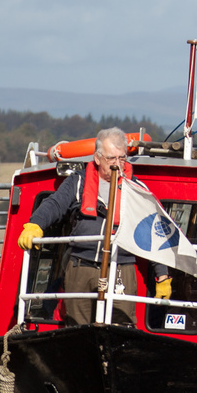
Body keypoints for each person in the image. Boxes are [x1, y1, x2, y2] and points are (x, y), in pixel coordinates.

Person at [17, 127, 150, 326]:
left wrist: (162, 275)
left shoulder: (137, 188)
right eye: (111, 158)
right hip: (81, 265)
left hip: (121, 266)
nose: (117, 164)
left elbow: (153, 229)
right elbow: (54, 205)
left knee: (122, 326)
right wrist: (34, 225)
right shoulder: (77, 182)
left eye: (122, 158)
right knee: (77, 325)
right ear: (97, 158)